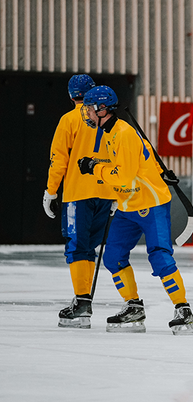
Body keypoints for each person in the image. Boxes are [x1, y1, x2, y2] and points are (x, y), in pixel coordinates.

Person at [76, 85, 193, 335]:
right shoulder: (109, 132)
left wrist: (94, 168)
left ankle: (183, 309)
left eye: (89, 108)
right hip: (128, 206)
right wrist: (99, 162)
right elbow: (128, 163)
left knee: (160, 257)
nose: (86, 113)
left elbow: (122, 177)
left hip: (150, 205)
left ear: (102, 109)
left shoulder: (124, 133)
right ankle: (133, 306)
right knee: (112, 257)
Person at [44, 74, 115, 329]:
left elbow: (58, 159)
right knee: (90, 249)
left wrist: (51, 191)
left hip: (78, 195)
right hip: (106, 194)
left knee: (76, 248)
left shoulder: (69, 119)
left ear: (71, 94)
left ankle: (82, 303)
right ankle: (83, 299)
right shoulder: (109, 120)